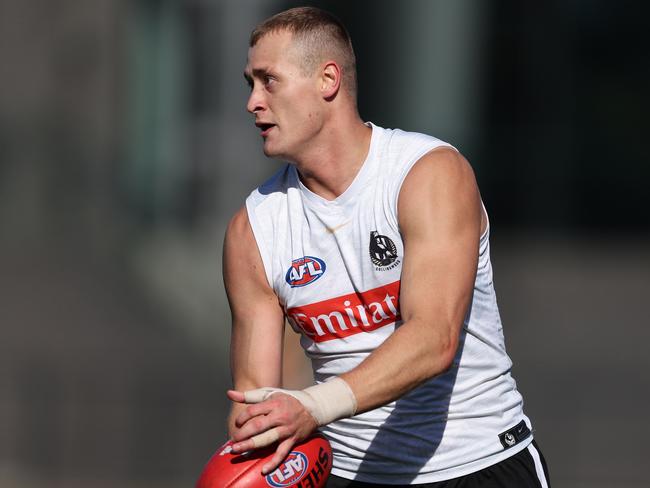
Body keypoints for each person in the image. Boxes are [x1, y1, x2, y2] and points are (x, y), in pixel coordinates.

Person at [223, 6, 550, 487]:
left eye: (269, 80)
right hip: (352, 474)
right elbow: (254, 402)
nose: (252, 102)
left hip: (479, 464)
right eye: (250, 82)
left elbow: (433, 339)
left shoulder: (427, 173)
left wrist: (312, 406)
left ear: (327, 80)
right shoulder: (252, 230)